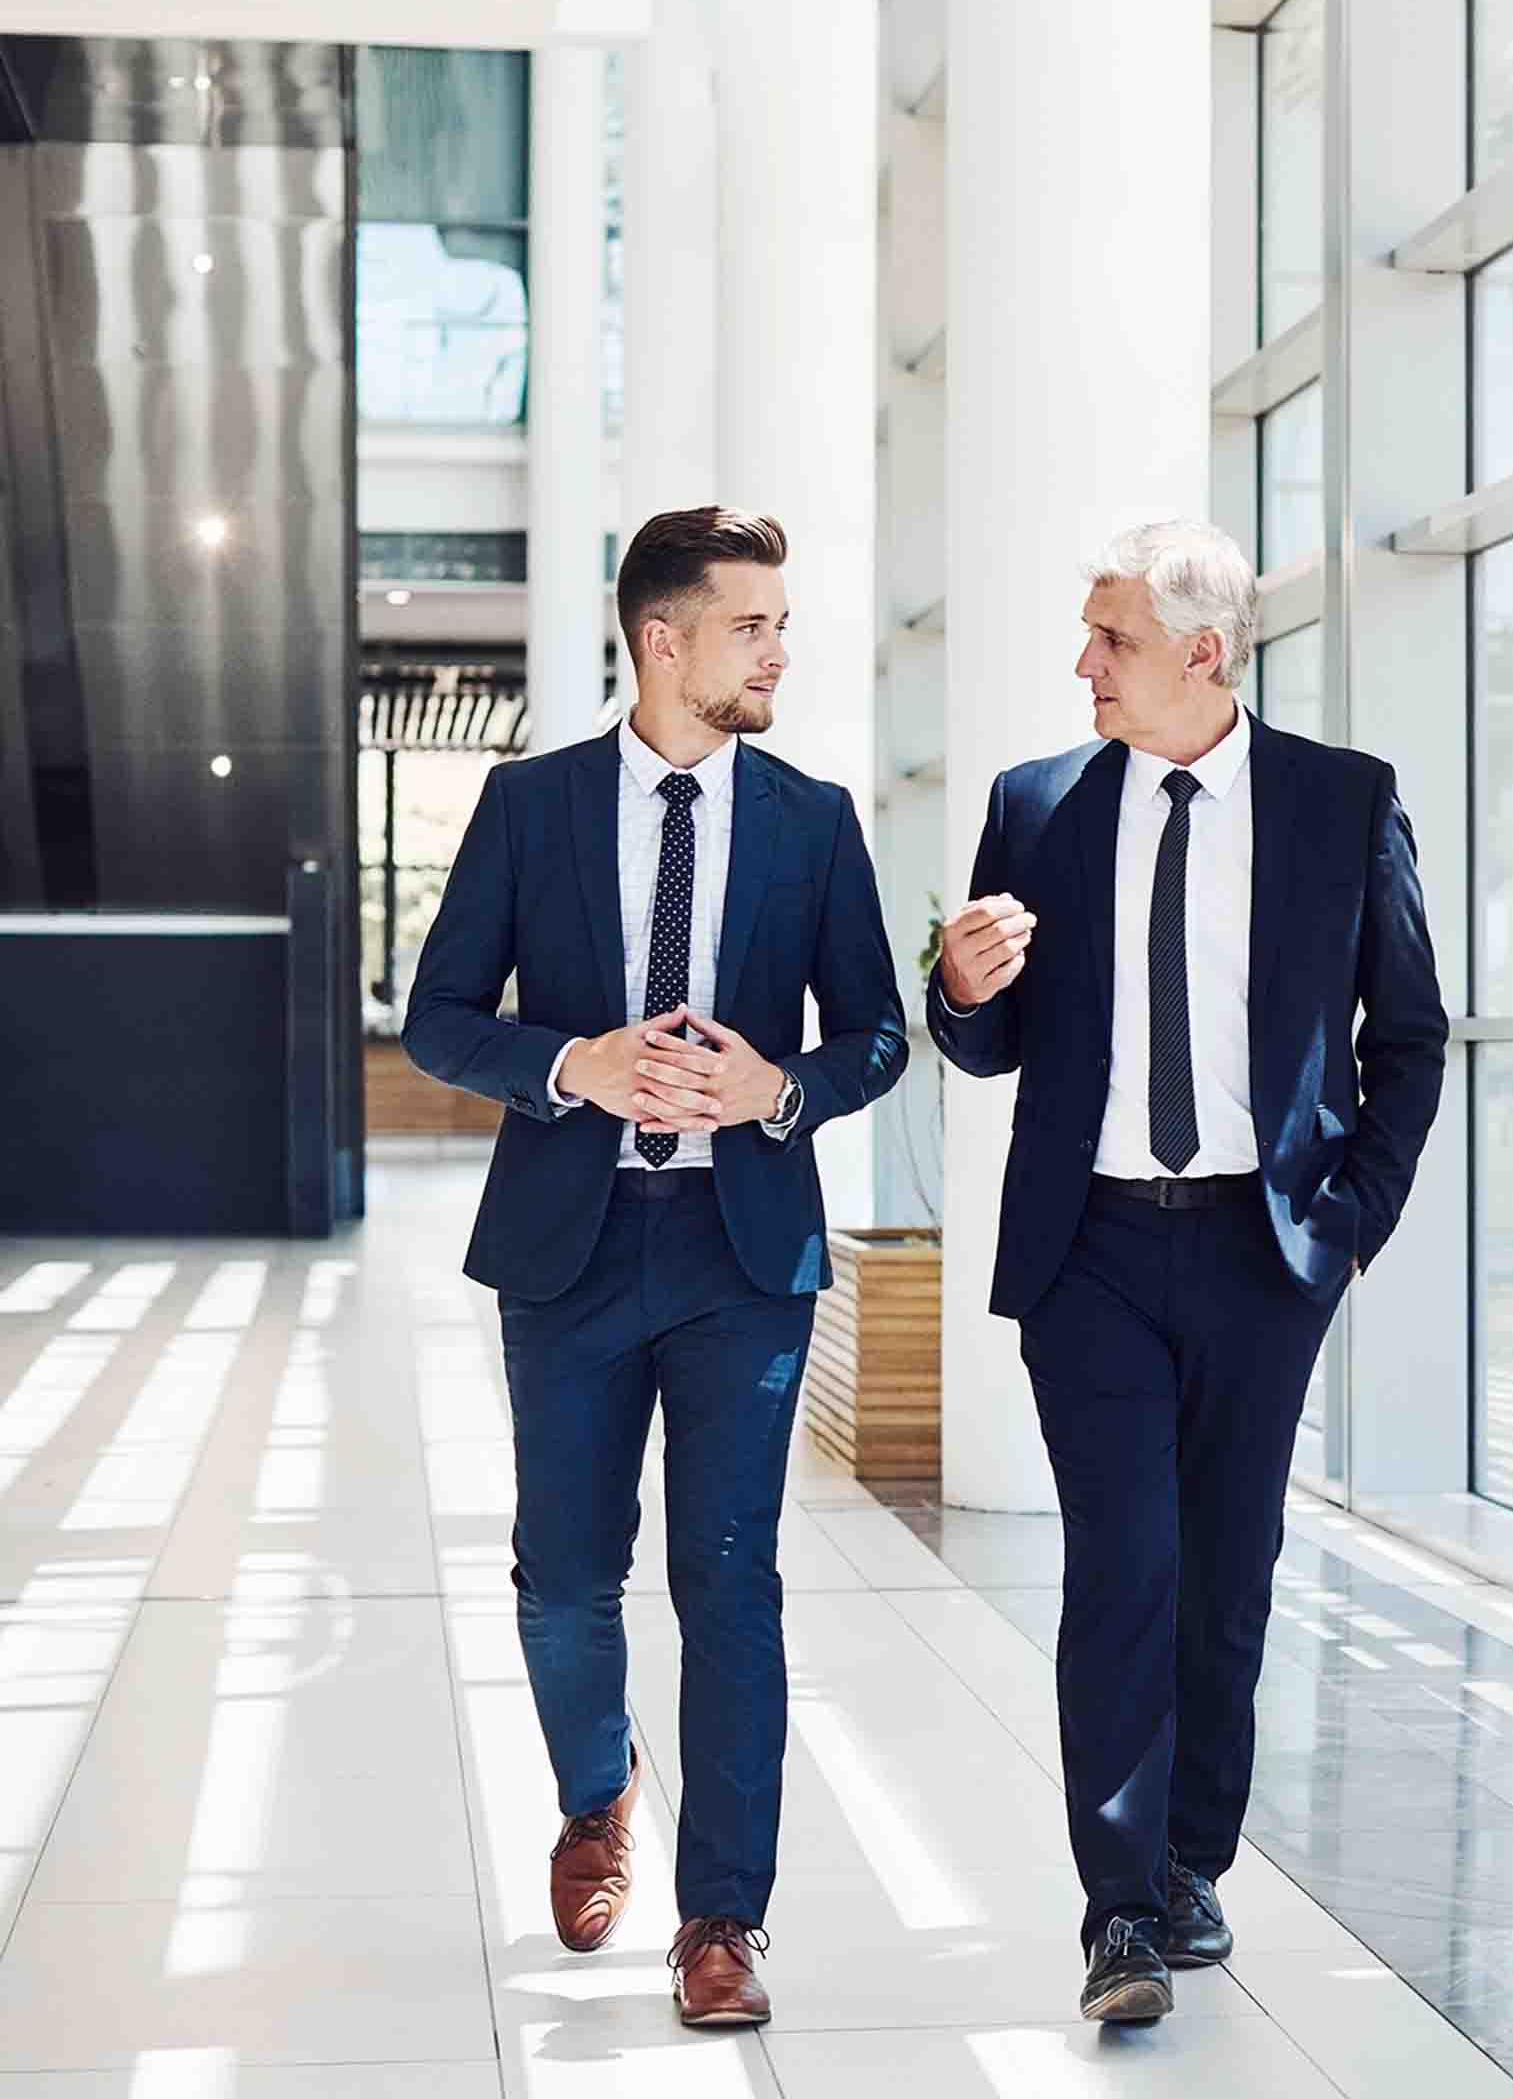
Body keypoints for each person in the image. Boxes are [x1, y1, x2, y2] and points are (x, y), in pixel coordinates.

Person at [929, 519, 1447, 2023]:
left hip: (1260, 1248)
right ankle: (1122, 1910)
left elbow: (1406, 1039)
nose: (1083, 665)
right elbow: (989, 1038)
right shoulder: (1036, 807)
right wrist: (957, 989)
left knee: (1230, 1574)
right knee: (1123, 1566)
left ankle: (1193, 1862)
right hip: (1086, 1245)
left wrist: (1345, 1227)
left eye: (1112, 641)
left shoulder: (1341, 805)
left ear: (1202, 654)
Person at [404, 506, 907, 2028]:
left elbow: (875, 1031)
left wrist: (782, 1091)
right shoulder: (529, 804)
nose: (779, 649)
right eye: (753, 624)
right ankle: (595, 1787)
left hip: (743, 1253)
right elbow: (437, 1015)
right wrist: (572, 1063)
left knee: (733, 1577)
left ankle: (723, 1921)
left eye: (780, 623)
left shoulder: (815, 819)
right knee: (566, 1578)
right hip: (571, 1247)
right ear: (662, 639)